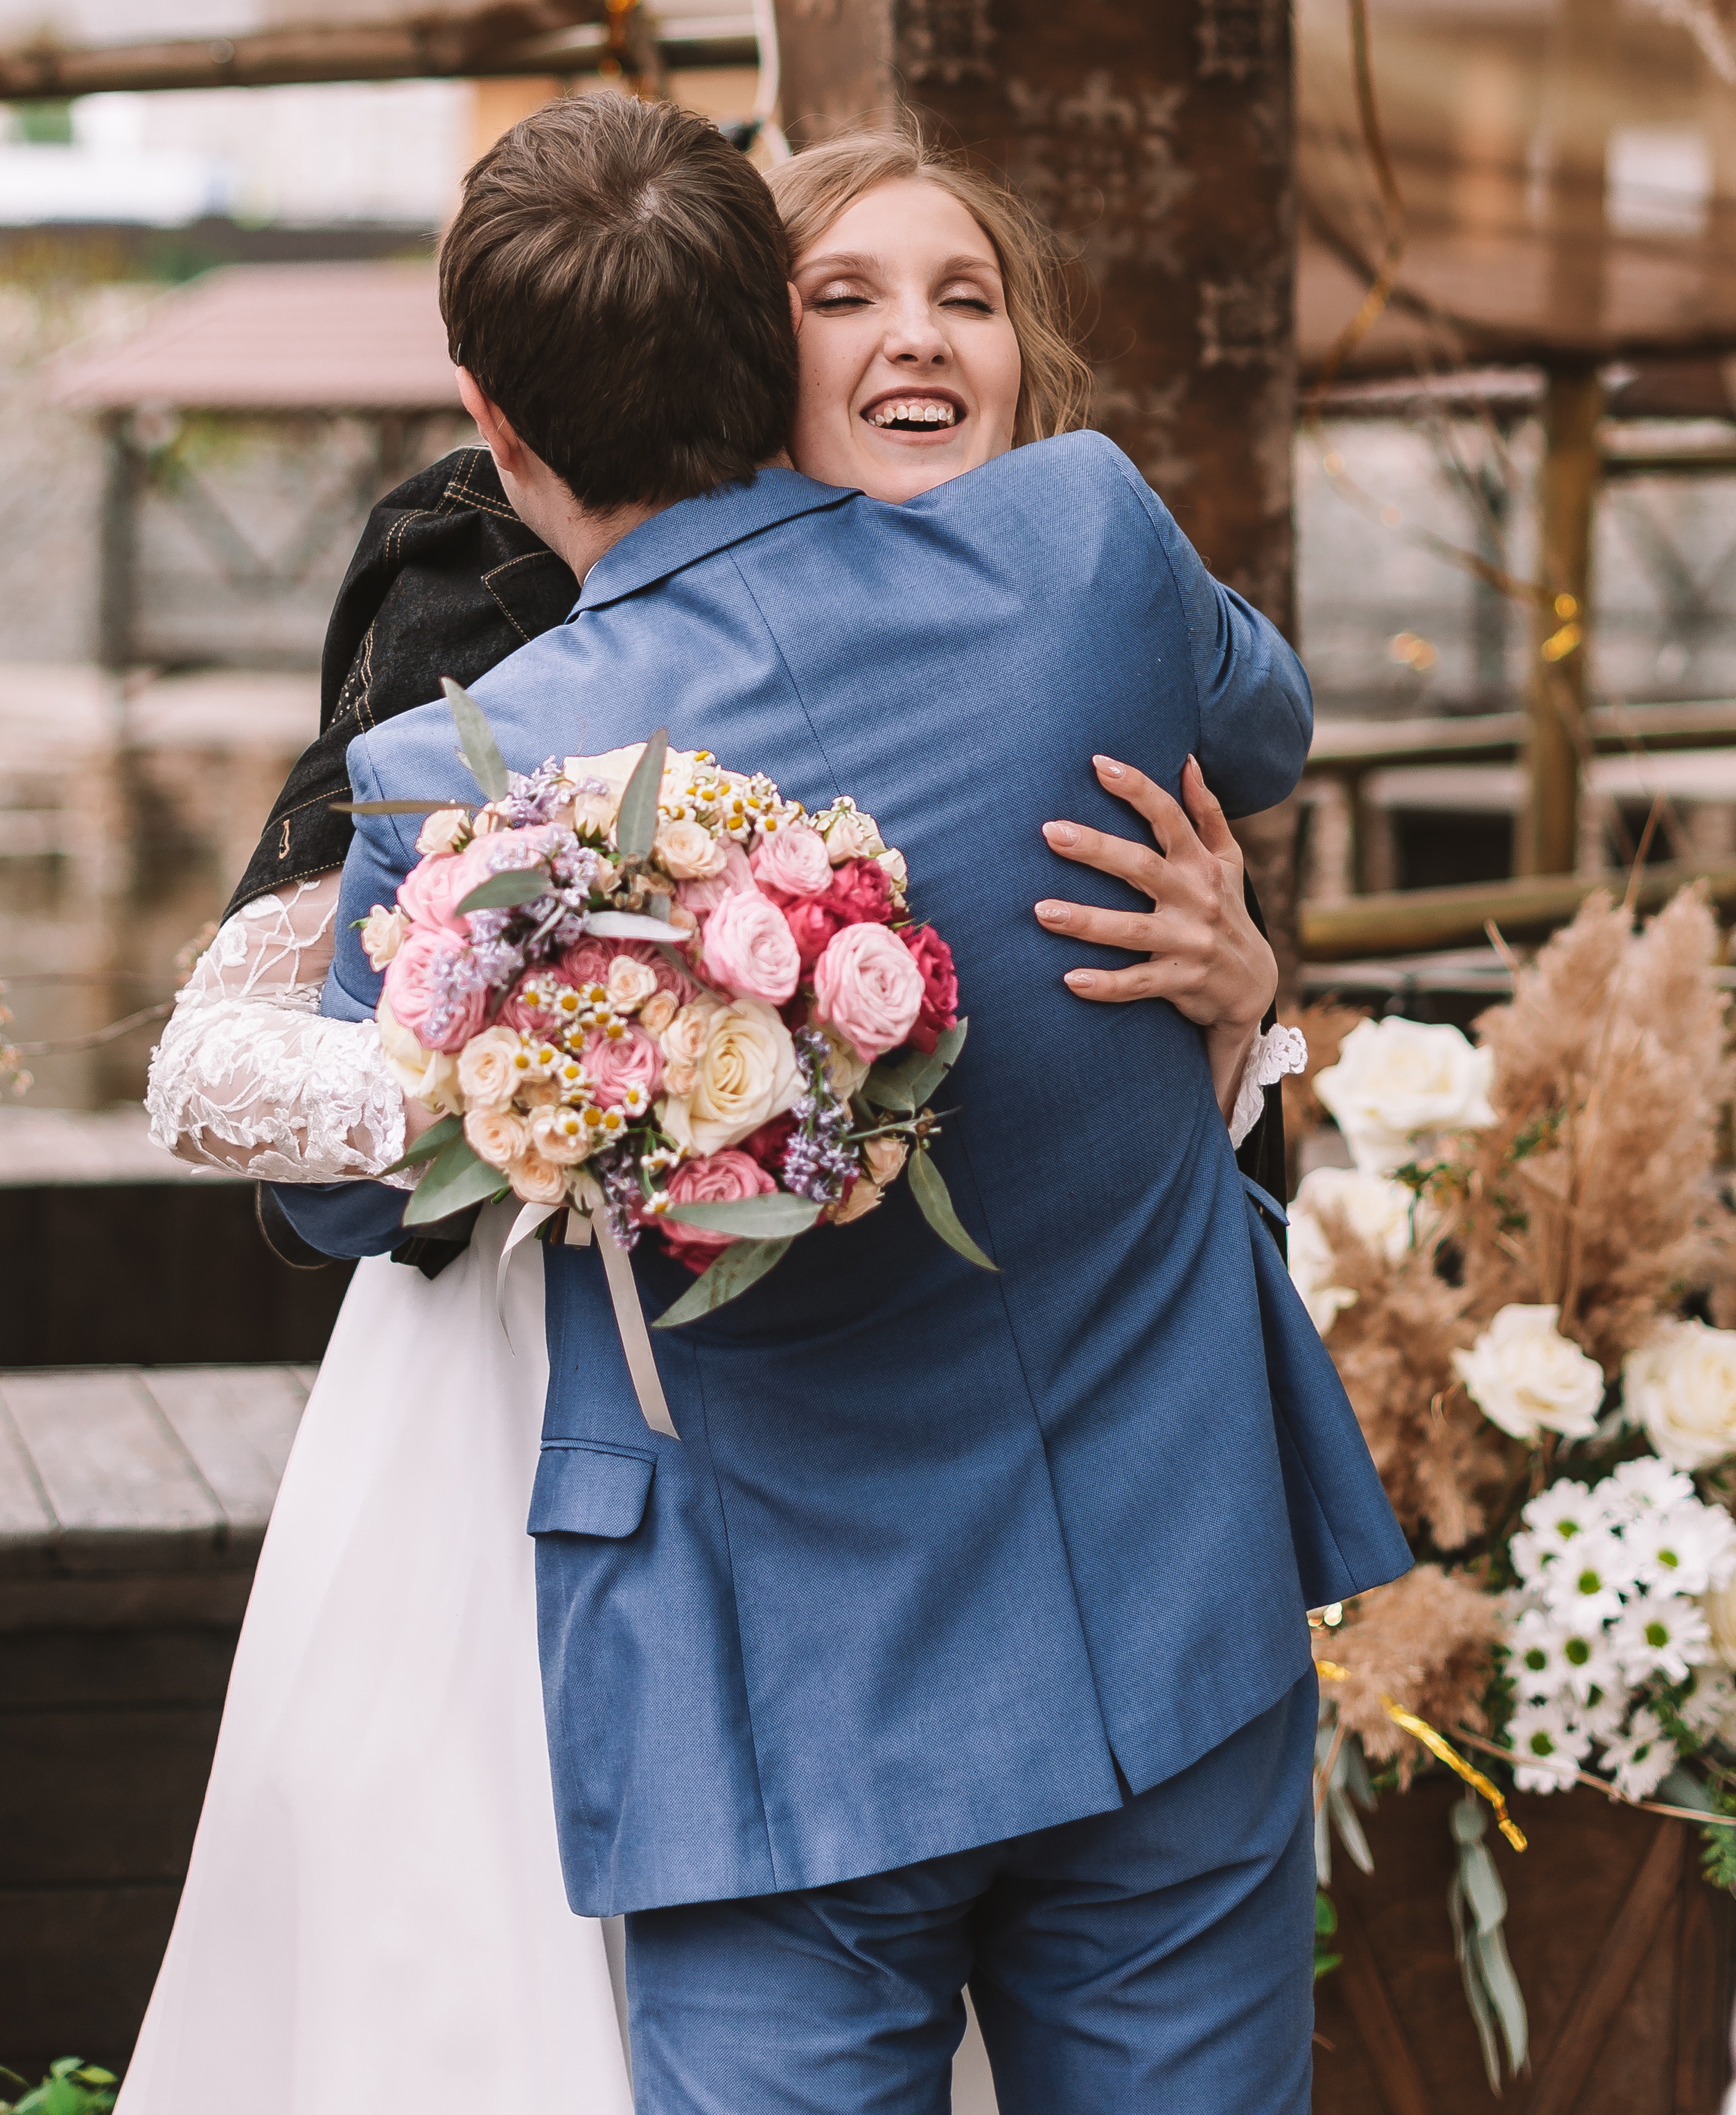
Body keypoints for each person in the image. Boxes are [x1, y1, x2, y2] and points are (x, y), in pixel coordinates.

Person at [125, 119, 1300, 2115]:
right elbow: (1260, 723)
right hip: (1168, 1602)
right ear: (770, 355)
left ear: (494, 422)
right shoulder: (1088, 536)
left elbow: (348, 1208)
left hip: (774, 1692)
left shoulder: (472, 787)